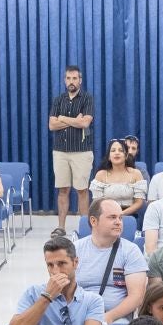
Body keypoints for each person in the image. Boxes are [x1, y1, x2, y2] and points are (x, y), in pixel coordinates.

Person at [77, 198, 149, 325]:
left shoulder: (130, 251)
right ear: (93, 221)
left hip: (115, 319)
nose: (118, 222)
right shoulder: (74, 250)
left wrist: (108, 317)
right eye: (112, 217)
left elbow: (136, 296)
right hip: (79, 315)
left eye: (120, 218)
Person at [48, 63, 95, 231]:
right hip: (60, 151)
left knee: (82, 190)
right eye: (68, 78)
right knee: (63, 190)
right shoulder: (58, 100)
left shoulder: (87, 98)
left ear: (80, 80)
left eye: (75, 78)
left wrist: (62, 118)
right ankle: (61, 227)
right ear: (64, 80)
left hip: (81, 151)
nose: (71, 81)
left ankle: (85, 229)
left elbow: (85, 122)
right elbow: (52, 126)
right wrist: (74, 120)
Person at [89, 138, 147, 220]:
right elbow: (97, 203)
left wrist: (121, 214)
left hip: (130, 216)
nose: (117, 153)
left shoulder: (136, 173)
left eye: (120, 150)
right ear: (109, 156)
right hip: (106, 216)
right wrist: (112, 214)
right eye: (113, 150)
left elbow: (139, 202)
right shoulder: (100, 175)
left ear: (126, 155)